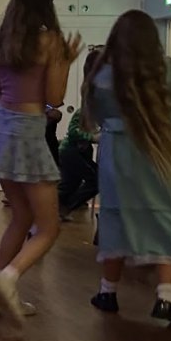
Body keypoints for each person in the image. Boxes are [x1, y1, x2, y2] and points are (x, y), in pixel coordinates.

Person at [84, 11, 171, 327]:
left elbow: (94, 113)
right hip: (163, 148)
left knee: (116, 216)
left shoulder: (102, 75)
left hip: (118, 153)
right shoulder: (167, 71)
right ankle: (167, 299)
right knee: (166, 215)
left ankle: (107, 292)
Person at [0, 0, 82, 326]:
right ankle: (7, 279)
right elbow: (54, 98)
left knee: (21, 217)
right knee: (49, 228)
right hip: (27, 131)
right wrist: (65, 62)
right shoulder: (50, 41)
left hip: (1, 127)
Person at [58, 50, 100, 221]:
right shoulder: (85, 106)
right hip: (71, 150)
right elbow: (74, 130)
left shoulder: (90, 98)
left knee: (68, 185)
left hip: (77, 151)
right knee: (95, 180)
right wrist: (93, 137)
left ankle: (57, 210)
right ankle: (63, 208)